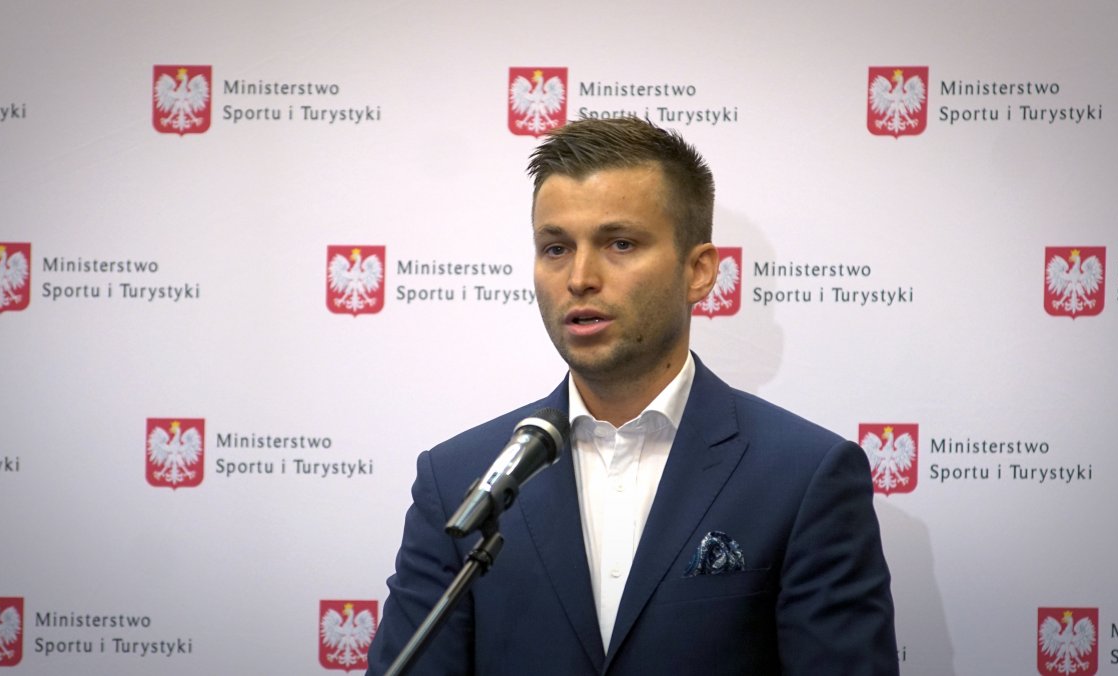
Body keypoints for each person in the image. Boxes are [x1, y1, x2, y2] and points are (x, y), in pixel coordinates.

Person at [366, 117, 897, 675]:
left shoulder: (804, 476)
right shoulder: (459, 480)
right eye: (556, 248)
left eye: (620, 244)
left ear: (699, 272)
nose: (580, 277)